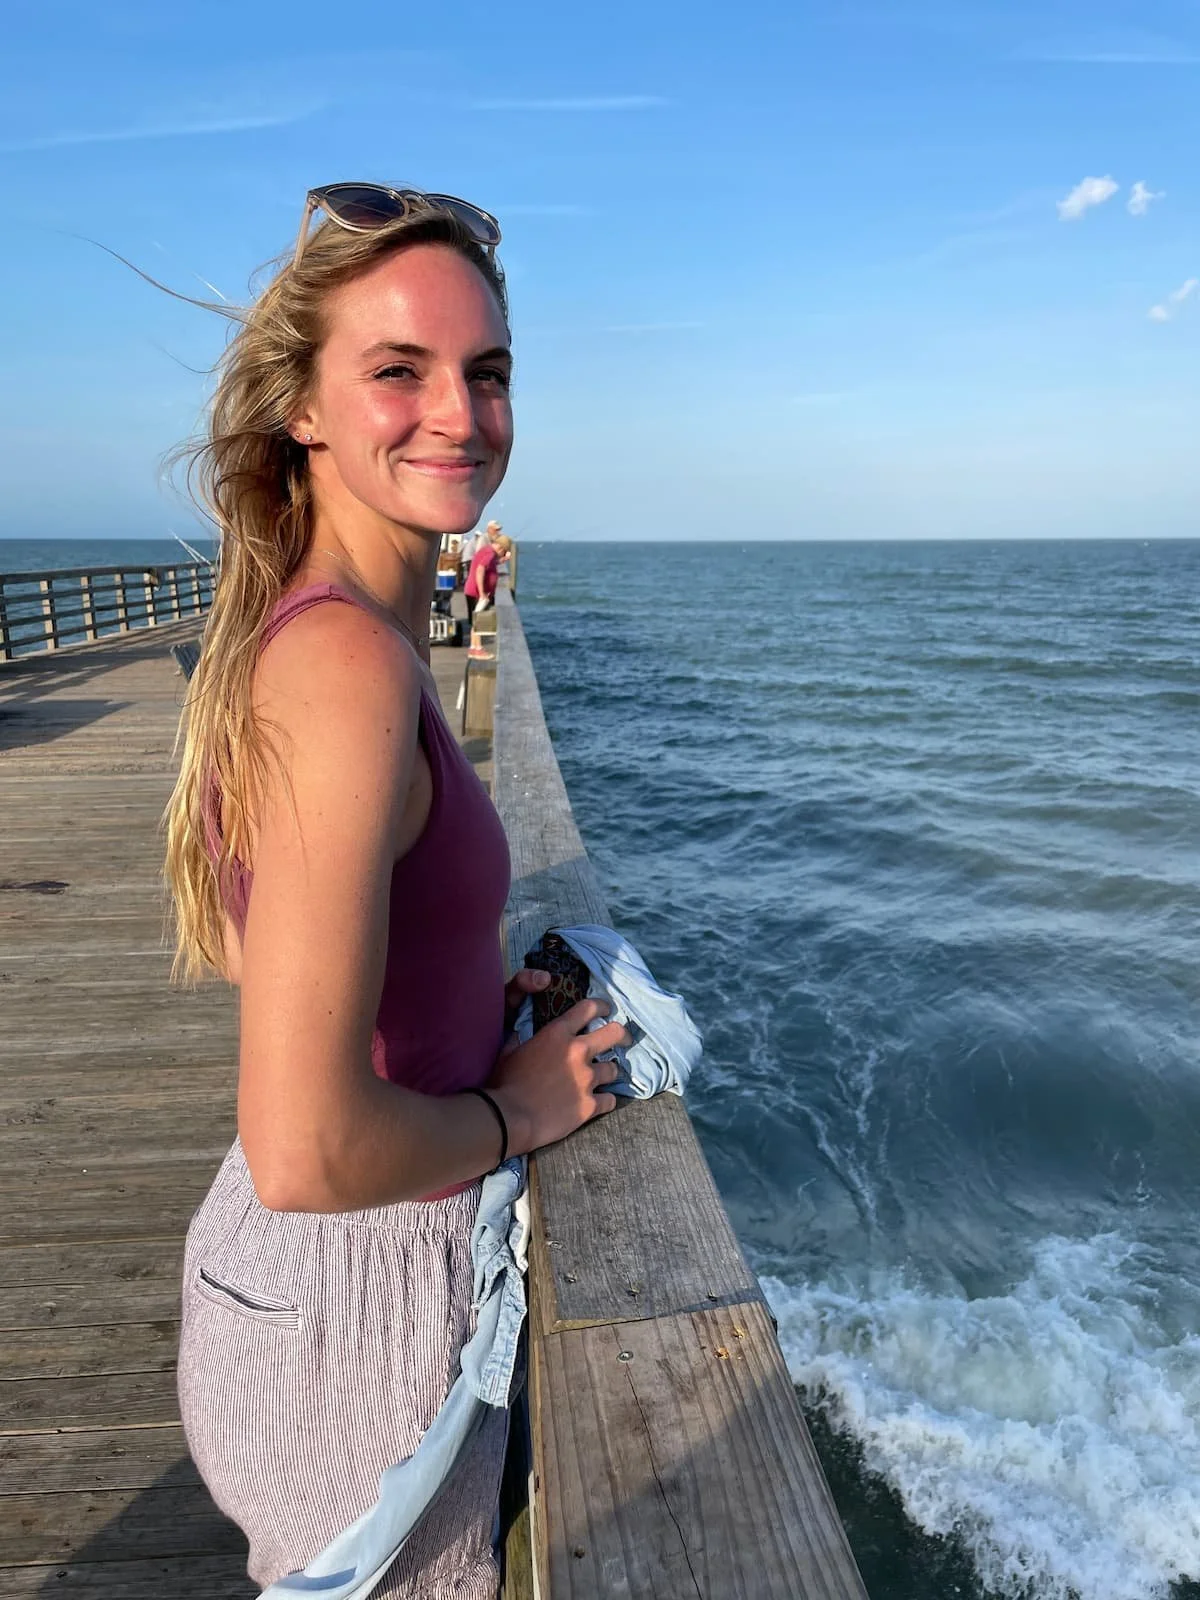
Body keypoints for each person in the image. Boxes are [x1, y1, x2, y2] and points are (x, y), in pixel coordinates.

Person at [163, 184, 627, 1598]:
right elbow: (308, 1145)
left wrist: (463, 1003)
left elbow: (296, 966)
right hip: (352, 1293)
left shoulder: (324, 631)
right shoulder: (346, 669)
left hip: (303, 1276)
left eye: (486, 372)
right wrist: (517, 1110)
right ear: (305, 406)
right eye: (400, 370)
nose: (461, 412)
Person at [463, 521, 500, 622]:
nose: (498, 532)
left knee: (476, 617)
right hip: (476, 588)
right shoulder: (485, 541)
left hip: (478, 587)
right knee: (476, 618)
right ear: (489, 529)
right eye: (496, 529)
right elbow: (481, 566)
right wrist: (482, 593)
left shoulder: (490, 544)